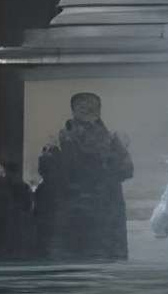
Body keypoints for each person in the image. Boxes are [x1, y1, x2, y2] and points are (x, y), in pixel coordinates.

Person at [35, 92, 133, 262]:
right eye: (84, 107)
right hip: (95, 215)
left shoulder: (63, 138)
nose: (87, 110)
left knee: (78, 267)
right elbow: (126, 170)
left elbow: (47, 170)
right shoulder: (110, 140)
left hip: (81, 214)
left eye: (90, 107)